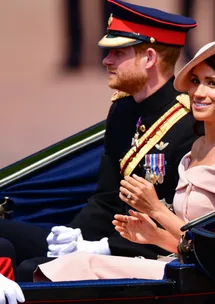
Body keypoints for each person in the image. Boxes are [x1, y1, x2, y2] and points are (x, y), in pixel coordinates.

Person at [33, 22, 215, 282]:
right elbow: (186, 240)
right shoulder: (199, 146)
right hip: (178, 264)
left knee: (72, 268)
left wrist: (155, 209)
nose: (198, 92)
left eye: (212, 84)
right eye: (196, 82)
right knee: (54, 267)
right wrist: (148, 235)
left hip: (203, 279)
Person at [0, 0, 199, 284]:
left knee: (29, 269)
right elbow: (106, 198)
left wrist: (100, 247)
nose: (106, 60)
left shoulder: (188, 123)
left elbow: (175, 219)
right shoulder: (124, 108)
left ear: (150, 58)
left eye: (118, 53)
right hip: (98, 240)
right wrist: (74, 234)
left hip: (142, 253)